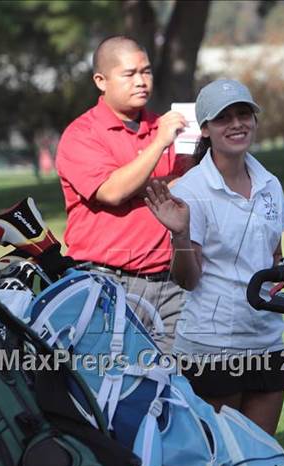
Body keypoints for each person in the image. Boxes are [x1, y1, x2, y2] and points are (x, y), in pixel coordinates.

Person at [145, 79, 284, 435]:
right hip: (212, 344)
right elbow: (188, 280)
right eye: (223, 118)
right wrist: (181, 234)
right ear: (205, 129)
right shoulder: (192, 190)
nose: (236, 124)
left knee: (261, 460)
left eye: (243, 114)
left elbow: (272, 256)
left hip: (266, 338)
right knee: (220, 463)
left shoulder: (270, 183)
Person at [56, 35, 191, 351]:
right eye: (129, 74)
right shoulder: (81, 135)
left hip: (169, 284)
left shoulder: (166, 126)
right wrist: (159, 145)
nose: (142, 81)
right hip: (104, 282)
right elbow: (112, 191)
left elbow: (191, 188)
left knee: (175, 387)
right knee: (109, 387)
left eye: (146, 72)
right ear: (101, 81)